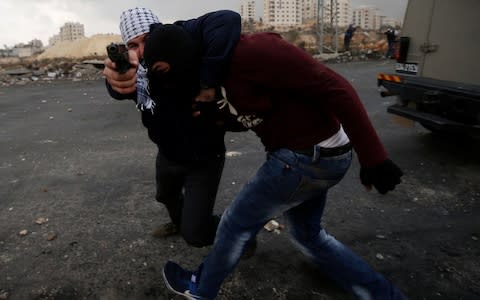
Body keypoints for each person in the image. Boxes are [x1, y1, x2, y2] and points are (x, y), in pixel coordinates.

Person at [144, 25, 406, 299]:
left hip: (306, 156)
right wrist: (213, 115)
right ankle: (384, 295)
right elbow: (254, 114)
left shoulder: (254, 51)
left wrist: (374, 158)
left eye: (164, 70)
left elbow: (335, 87)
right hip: (314, 157)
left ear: (181, 56)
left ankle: (201, 288)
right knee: (309, 236)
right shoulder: (211, 76)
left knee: (235, 224)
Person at [103, 8, 241, 247]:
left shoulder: (182, 42)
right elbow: (118, 86)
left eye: (147, 39)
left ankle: (239, 233)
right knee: (165, 196)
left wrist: (208, 84)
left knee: (196, 235)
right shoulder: (139, 74)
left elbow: (227, 19)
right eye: (133, 45)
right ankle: (180, 222)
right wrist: (114, 82)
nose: (143, 51)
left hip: (204, 159)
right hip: (167, 155)